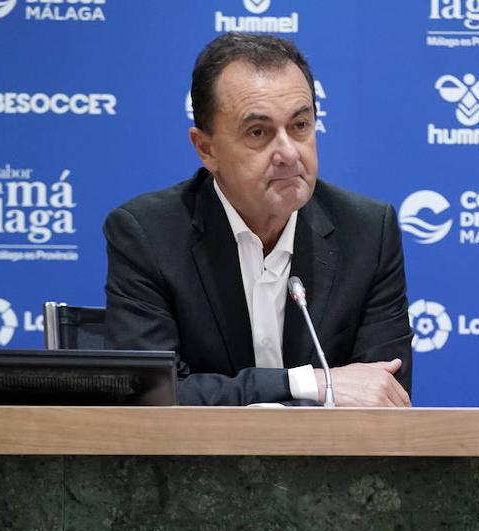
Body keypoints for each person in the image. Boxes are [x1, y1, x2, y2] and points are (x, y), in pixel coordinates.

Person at [104, 33, 411, 406]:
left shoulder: (367, 232)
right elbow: (148, 395)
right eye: (258, 132)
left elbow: (384, 392)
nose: (288, 154)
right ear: (206, 149)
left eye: (300, 126)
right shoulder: (149, 235)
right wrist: (304, 383)